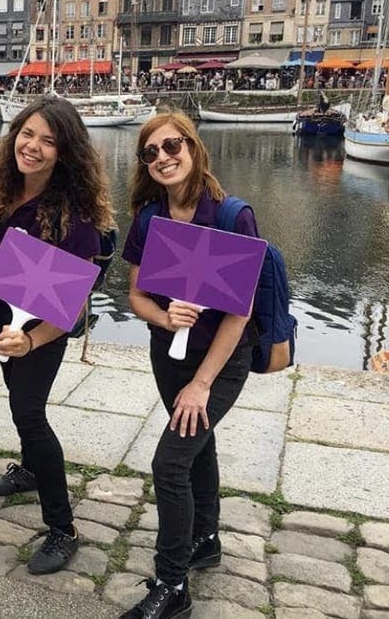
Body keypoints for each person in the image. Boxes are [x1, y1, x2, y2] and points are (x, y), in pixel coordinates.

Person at [119, 112, 259, 619]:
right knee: (199, 445)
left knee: (170, 461)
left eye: (171, 145)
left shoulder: (230, 215)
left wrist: (202, 383)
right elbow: (135, 295)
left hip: (220, 361)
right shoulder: (149, 218)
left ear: (193, 147)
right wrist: (165, 314)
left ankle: (172, 583)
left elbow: (239, 313)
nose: (162, 158)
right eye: (150, 153)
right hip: (168, 353)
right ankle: (207, 537)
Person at [0, 97, 115, 575]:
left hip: (43, 327)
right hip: (1, 317)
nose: (32, 146)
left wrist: (32, 340)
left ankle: (63, 528)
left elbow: (72, 305)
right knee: (17, 394)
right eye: (27, 133)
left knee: (29, 412)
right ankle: (33, 470)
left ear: (65, 152)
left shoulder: (73, 218)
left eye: (48, 141)